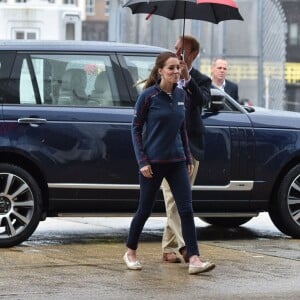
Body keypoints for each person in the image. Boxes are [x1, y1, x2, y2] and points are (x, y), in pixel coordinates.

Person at [124, 51, 215, 275]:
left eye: (178, 68)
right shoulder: (148, 97)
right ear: (160, 71)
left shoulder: (182, 95)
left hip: (177, 162)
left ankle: (194, 258)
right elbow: (135, 129)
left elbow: (182, 129)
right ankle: (130, 252)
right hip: (152, 163)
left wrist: (186, 156)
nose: (176, 72)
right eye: (171, 68)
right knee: (144, 210)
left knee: (186, 209)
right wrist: (142, 161)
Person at [161, 35, 211, 264]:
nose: (177, 53)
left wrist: (187, 80)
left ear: (193, 55)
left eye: (182, 51)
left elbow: (203, 101)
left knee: (182, 198)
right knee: (172, 197)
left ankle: (170, 247)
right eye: (175, 48)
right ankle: (184, 247)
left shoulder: (200, 80)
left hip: (189, 147)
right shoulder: (166, 75)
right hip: (165, 146)